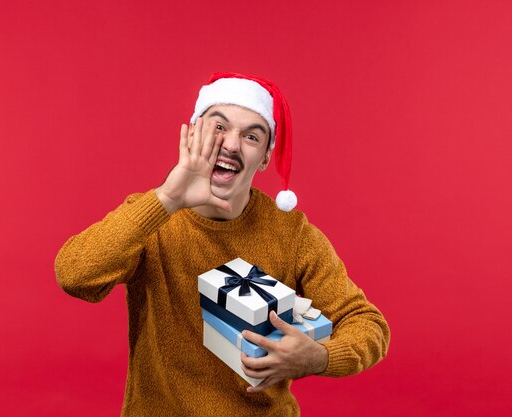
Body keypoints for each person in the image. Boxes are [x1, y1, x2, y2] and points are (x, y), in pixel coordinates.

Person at [55, 72, 390, 416]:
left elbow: (368, 324)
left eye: (251, 136)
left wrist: (319, 357)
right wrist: (168, 198)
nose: (230, 144)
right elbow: (75, 275)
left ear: (263, 159)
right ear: (192, 135)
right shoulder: (151, 216)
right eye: (219, 127)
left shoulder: (292, 234)